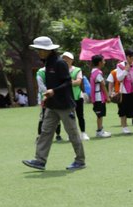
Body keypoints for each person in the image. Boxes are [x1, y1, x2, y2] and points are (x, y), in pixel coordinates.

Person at [22, 36, 85, 171]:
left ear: (48, 51)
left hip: (64, 105)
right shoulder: (48, 64)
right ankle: (40, 160)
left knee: (72, 132)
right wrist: (48, 96)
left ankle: (80, 160)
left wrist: (53, 91)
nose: (38, 52)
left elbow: (67, 82)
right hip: (52, 105)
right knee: (45, 132)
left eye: (40, 50)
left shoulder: (60, 63)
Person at [62, 52, 88, 140]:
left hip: (77, 96)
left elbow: (78, 82)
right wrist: (71, 82)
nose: (65, 60)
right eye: (64, 58)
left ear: (72, 60)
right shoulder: (60, 70)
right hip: (66, 97)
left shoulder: (77, 70)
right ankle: (71, 134)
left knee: (80, 115)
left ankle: (83, 133)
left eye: (67, 58)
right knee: (69, 118)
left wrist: (67, 83)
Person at [35, 65, 62, 141]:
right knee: (43, 116)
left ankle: (58, 135)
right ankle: (40, 135)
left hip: (55, 96)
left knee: (57, 116)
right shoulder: (40, 72)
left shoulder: (56, 70)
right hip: (44, 97)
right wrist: (48, 93)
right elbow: (41, 86)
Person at [89, 54, 112, 138]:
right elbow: (103, 85)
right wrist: (107, 97)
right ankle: (99, 131)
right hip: (98, 97)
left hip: (96, 97)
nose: (104, 62)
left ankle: (101, 130)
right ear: (99, 62)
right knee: (100, 115)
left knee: (100, 115)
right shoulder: (98, 73)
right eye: (103, 61)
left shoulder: (93, 71)